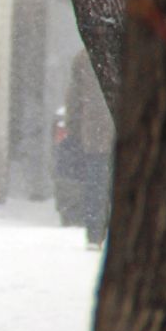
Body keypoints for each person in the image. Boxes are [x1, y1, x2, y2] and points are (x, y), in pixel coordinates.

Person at [65, 50, 115, 246]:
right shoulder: (135, 51)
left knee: (95, 185)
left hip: (95, 134)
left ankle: (94, 233)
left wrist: (73, 128)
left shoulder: (84, 57)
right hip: (123, 135)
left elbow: (74, 97)